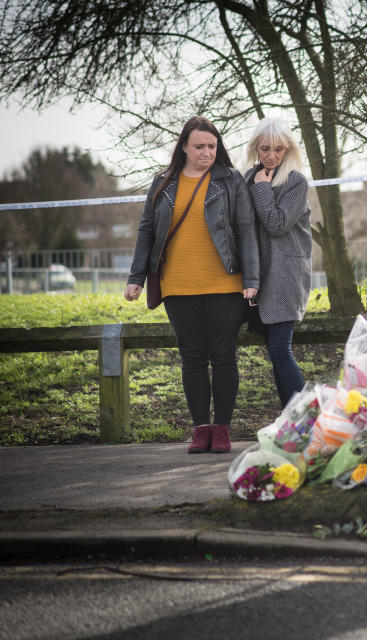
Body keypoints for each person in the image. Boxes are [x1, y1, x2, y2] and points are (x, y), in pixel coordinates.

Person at [124, 116, 259, 454]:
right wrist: (136, 277)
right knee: (192, 357)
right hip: (177, 286)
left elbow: (245, 230)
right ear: (184, 146)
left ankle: (223, 429)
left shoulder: (231, 181)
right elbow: (146, 231)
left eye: (212, 146)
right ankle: (201, 428)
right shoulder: (162, 183)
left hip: (226, 283)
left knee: (224, 356)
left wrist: (252, 280)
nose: (207, 152)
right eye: (199, 146)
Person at [242, 116, 313, 409]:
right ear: (256, 149)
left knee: (281, 351)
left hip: (285, 274)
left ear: (288, 150)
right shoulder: (248, 178)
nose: (271, 156)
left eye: (278, 149)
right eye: (265, 149)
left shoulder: (295, 182)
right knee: (275, 353)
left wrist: (261, 190)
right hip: (258, 274)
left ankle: (306, 417)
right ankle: (291, 420)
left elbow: (277, 223)